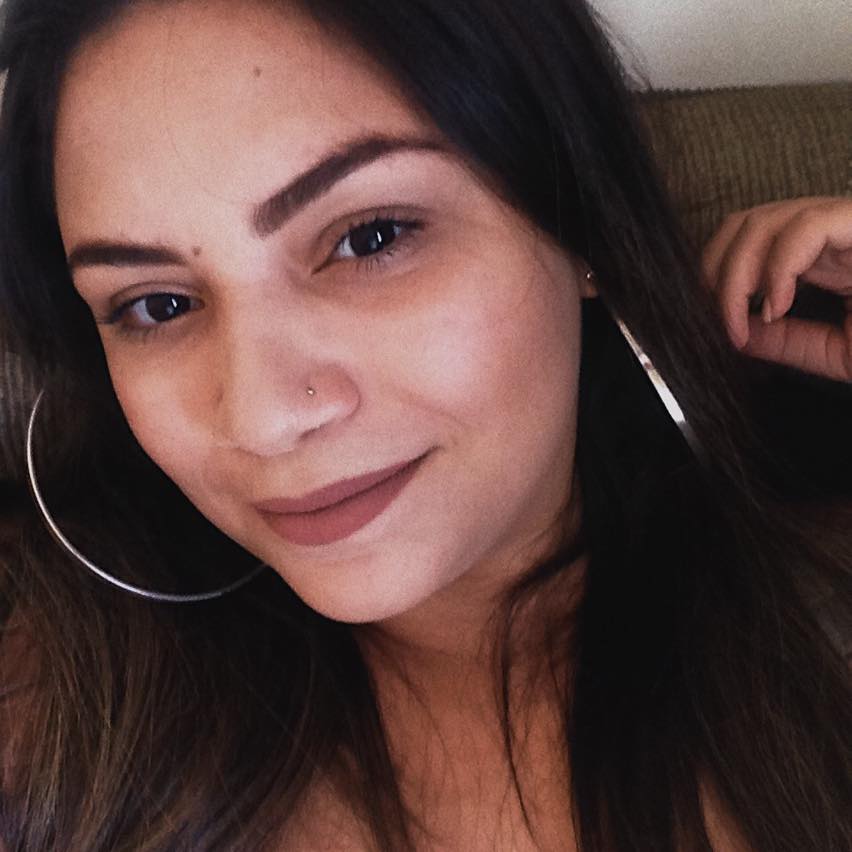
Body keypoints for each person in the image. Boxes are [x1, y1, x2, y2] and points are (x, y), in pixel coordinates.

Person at [0, 1, 848, 850]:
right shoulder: (55, 721)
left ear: (578, 212)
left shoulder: (814, 637)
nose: (262, 419)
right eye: (156, 305)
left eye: (370, 238)